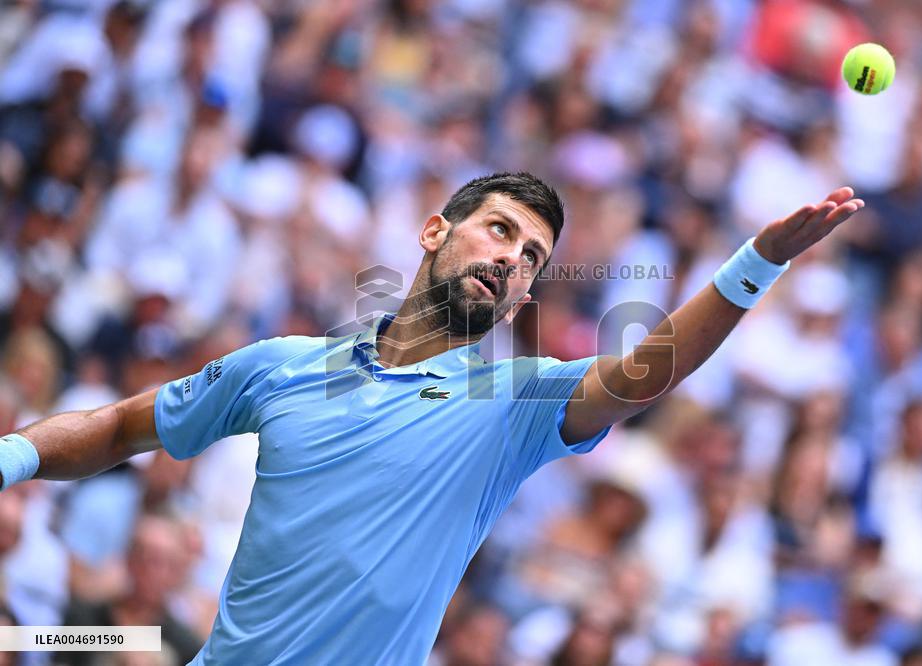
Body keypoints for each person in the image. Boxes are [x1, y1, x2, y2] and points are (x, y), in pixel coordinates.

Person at [0, 172, 864, 663]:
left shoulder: (513, 404)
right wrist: (10, 458)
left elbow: (645, 371)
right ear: (431, 233)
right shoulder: (284, 366)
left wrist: (758, 263)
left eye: (531, 258)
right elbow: (121, 427)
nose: (511, 259)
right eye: (498, 231)